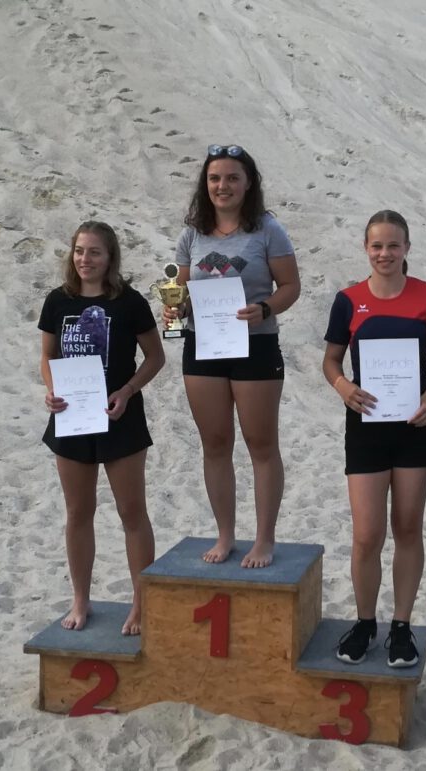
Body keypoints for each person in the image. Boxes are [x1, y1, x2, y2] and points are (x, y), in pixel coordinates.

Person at [323, 210, 426, 667]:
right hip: (366, 426)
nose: (385, 253)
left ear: (407, 248)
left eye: (393, 245)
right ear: (366, 248)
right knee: (366, 535)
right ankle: (365, 622)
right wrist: (343, 386)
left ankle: (401, 626)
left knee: (408, 527)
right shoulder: (348, 300)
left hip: (414, 426)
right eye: (377, 246)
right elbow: (331, 360)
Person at [163, 144, 300, 569]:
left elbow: (291, 286)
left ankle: (264, 539)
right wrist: (174, 310)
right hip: (203, 346)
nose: (223, 186)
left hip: (255, 345)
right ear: (205, 184)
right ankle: (225, 534)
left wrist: (265, 309)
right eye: (215, 178)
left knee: (261, 444)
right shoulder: (192, 235)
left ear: (248, 183)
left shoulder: (268, 230)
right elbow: (179, 293)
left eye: (232, 178)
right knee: (216, 443)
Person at [39, 221, 165, 635]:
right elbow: (48, 356)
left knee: (132, 512)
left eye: (94, 252)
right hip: (71, 416)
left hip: (119, 416)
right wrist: (52, 390)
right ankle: (81, 599)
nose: (85, 259)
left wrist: (127, 391)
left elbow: (155, 357)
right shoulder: (58, 300)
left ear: (110, 257)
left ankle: (142, 603)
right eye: (79, 250)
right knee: (78, 512)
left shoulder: (129, 302)